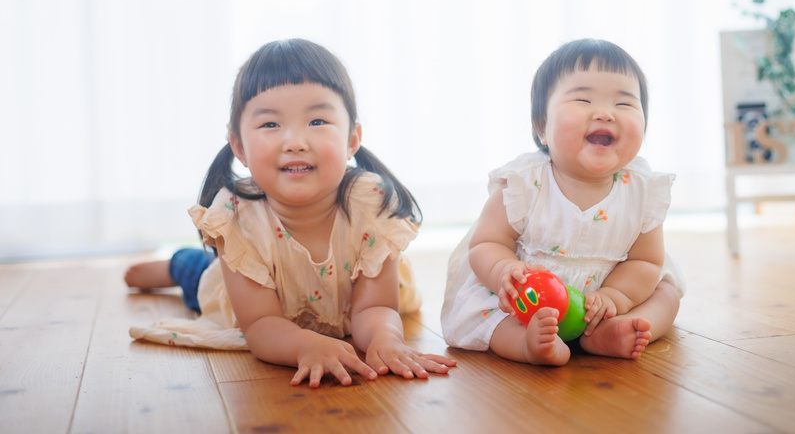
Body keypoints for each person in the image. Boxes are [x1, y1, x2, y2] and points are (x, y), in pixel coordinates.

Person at [127, 38, 455, 387]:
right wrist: (305, 345)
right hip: (247, 292)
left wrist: (385, 340)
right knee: (199, 275)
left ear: (352, 140)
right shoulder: (236, 215)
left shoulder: (371, 203)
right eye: (270, 125)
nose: (295, 141)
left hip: (342, 301)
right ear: (238, 145)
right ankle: (178, 265)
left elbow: (373, 309)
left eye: (317, 121)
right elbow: (259, 324)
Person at [441, 39, 685, 366]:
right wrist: (504, 272)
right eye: (583, 99)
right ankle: (527, 344)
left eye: (625, 104)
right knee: (487, 314)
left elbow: (646, 263)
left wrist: (614, 298)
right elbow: (486, 242)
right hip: (528, 303)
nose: (605, 113)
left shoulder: (643, 189)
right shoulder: (523, 182)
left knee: (666, 292)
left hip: (605, 301)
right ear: (542, 127)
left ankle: (609, 332)